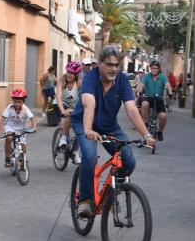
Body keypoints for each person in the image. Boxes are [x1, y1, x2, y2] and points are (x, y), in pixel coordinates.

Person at [70, 46, 157, 218]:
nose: (114, 69)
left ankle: (110, 194)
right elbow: (89, 103)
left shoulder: (122, 80)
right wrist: (87, 129)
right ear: (99, 64)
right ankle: (85, 200)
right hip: (84, 123)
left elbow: (131, 109)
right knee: (90, 156)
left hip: (109, 125)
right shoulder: (90, 78)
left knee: (128, 161)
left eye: (117, 65)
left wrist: (146, 134)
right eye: (109, 64)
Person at [0, 88, 37, 167]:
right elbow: (2, 120)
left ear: (23, 102)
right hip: (10, 127)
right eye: (15, 101)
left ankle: (23, 159)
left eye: (19, 102)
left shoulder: (25, 108)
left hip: (21, 128)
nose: (17, 104)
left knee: (23, 146)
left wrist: (34, 127)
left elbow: (33, 118)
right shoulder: (9, 108)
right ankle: (7, 157)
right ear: (13, 101)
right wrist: (1, 131)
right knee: (9, 138)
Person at [136, 60, 173, 141]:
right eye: (152, 68)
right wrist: (139, 91)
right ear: (150, 69)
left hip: (159, 99)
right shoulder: (146, 76)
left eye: (155, 68)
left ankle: (160, 132)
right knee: (144, 104)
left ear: (159, 69)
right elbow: (141, 85)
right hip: (148, 97)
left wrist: (170, 92)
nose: (154, 70)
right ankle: (145, 123)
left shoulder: (163, 76)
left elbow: (168, 85)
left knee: (163, 116)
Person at [55, 61, 82, 164]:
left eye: (72, 73)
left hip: (74, 106)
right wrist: (63, 110)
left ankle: (75, 152)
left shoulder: (79, 82)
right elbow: (58, 97)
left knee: (81, 130)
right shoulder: (62, 80)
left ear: (76, 75)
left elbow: (82, 98)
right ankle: (63, 137)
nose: (69, 75)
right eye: (68, 72)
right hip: (61, 104)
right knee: (70, 116)